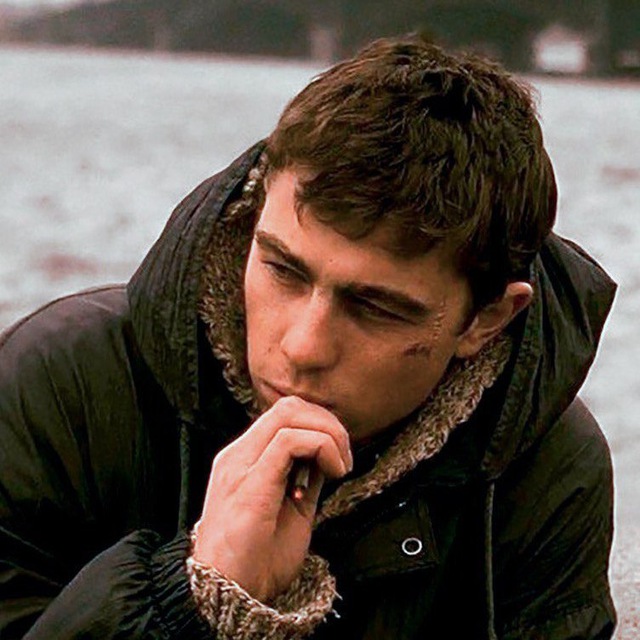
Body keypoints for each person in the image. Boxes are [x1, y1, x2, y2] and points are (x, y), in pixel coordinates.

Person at [0, 35, 617, 639]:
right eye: (282, 270)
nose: (302, 347)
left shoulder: (548, 472)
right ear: (254, 214)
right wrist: (190, 601)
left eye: (375, 308)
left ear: (487, 319)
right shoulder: (64, 387)